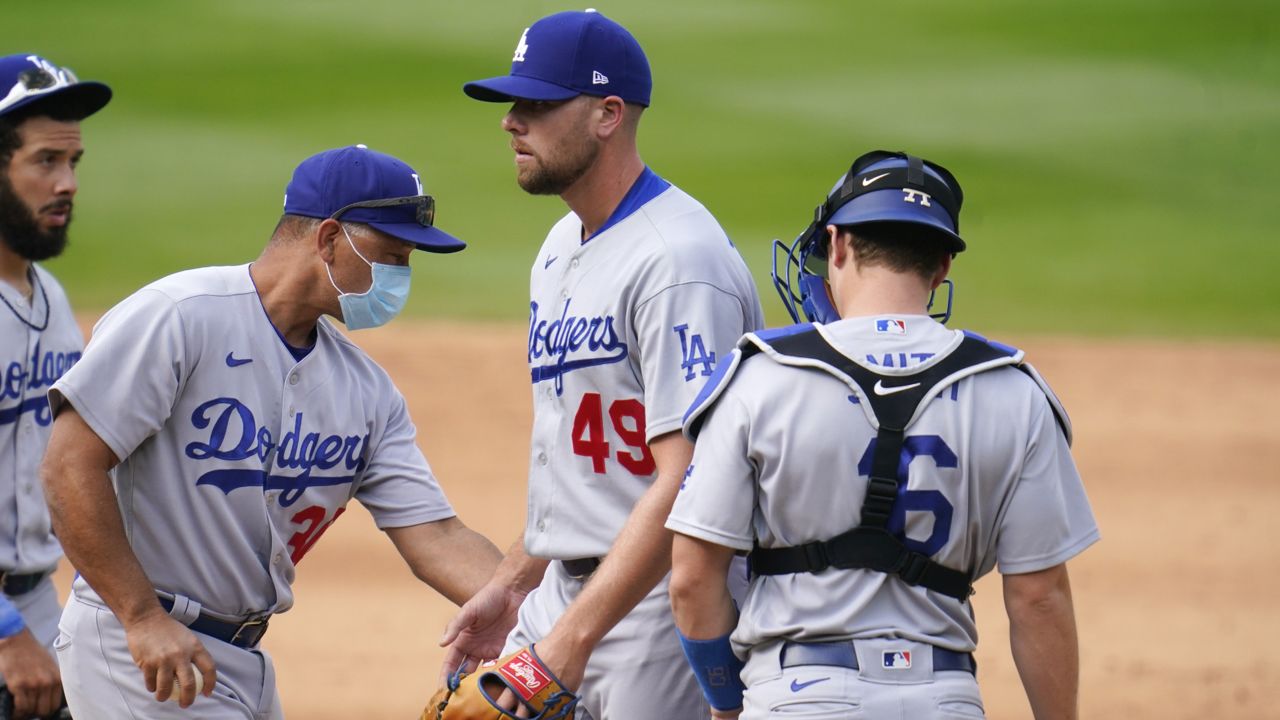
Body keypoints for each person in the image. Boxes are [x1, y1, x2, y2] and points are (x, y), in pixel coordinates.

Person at [39, 145, 504, 718]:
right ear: (330, 238)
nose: (400, 276)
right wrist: (141, 617)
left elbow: (438, 536)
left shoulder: (367, 390)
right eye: (393, 254)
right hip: (145, 651)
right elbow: (67, 465)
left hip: (245, 662)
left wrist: (542, 623)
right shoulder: (180, 316)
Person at [666, 150, 1099, 719]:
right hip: (945, 700)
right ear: (942, 264)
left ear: (838, 244)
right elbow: (1039, 600)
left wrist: (726, 707)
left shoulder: (761, 377)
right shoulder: (1014, 391)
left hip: (796, 697)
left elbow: (693, 581)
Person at [437, 10, 764, 719]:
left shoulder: (679, 262)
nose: (511, 122)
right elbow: (584, 460)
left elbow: (690, 480)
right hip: (567, 590)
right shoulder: (559, 243)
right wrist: (517, 578)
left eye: (537, 105)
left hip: (655, 607)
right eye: (511, 104)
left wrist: (571, 643)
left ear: (608, 115)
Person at [0, 53, 110, 720]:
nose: (66, 183)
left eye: (73, 163)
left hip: (35, 602)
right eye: (45, 161)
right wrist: (6, 634)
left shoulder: (49, 297)